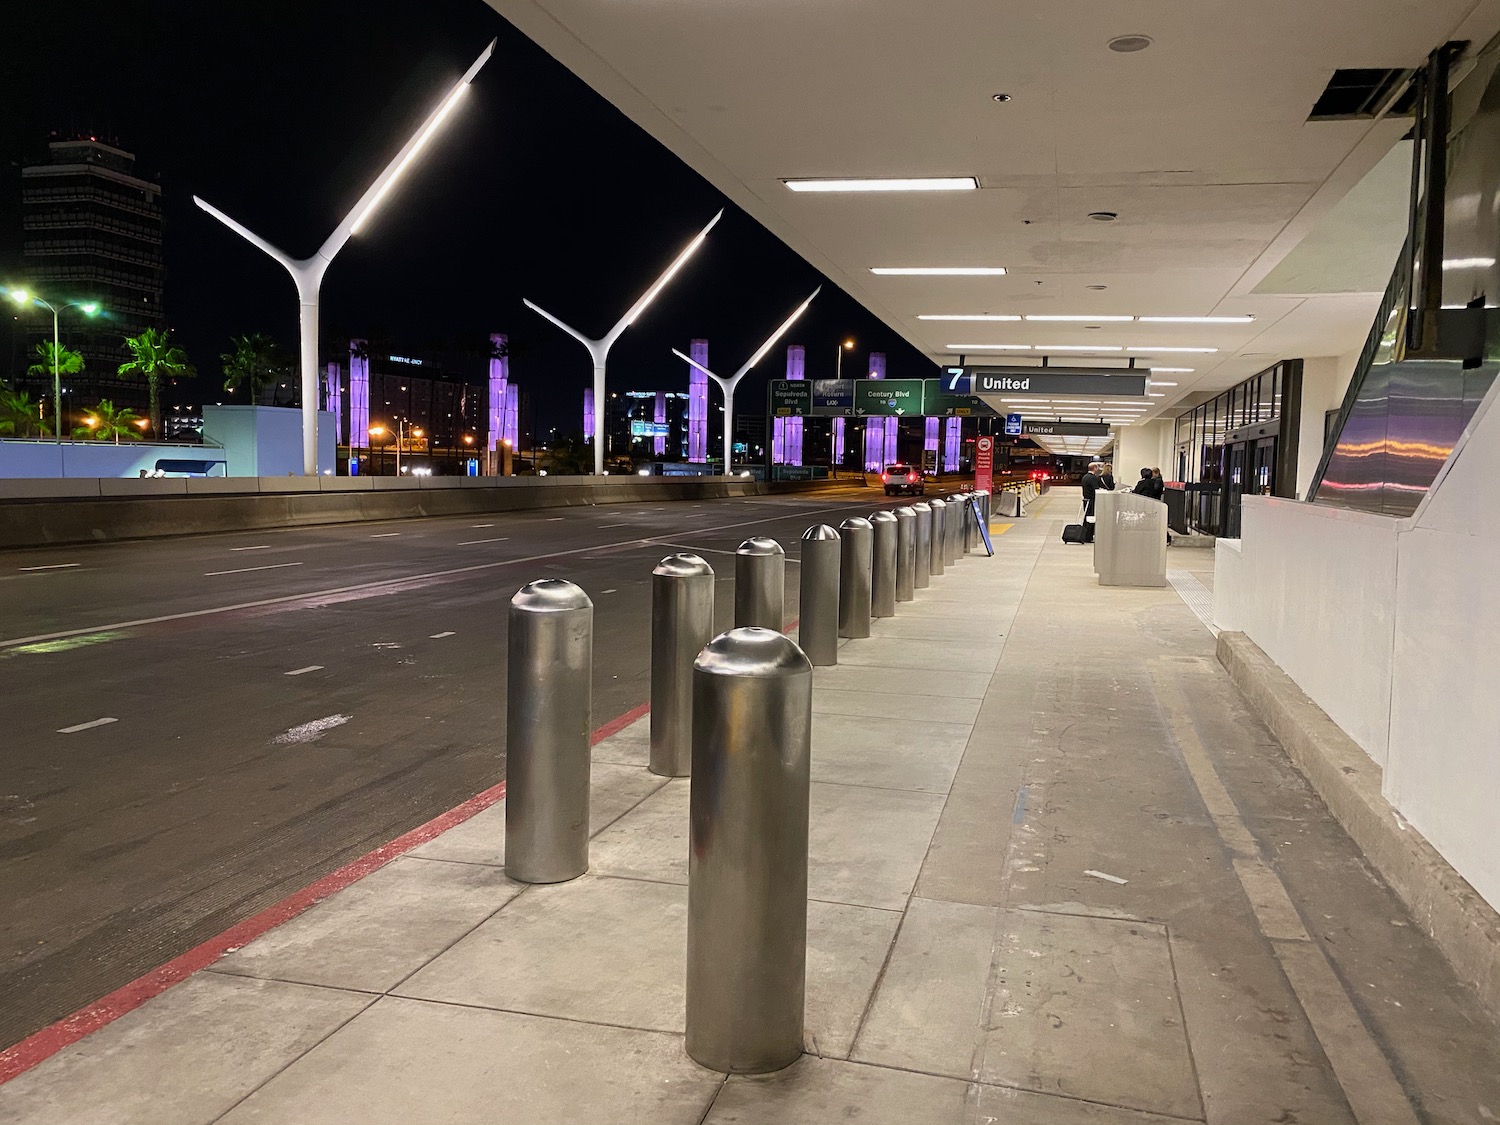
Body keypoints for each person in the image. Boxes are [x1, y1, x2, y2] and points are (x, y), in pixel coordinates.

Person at [1080, 460, 1105, 542]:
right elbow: (1096, 489)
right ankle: (1088, 536)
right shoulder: (1093, 478)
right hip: (1092, 500)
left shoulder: (1085, 477)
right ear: (1094, 468)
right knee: (1091, 518)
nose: (1098, 469)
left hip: (1086, 500)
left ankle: (1084, 535)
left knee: (1087, 517)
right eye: (1097, 467)